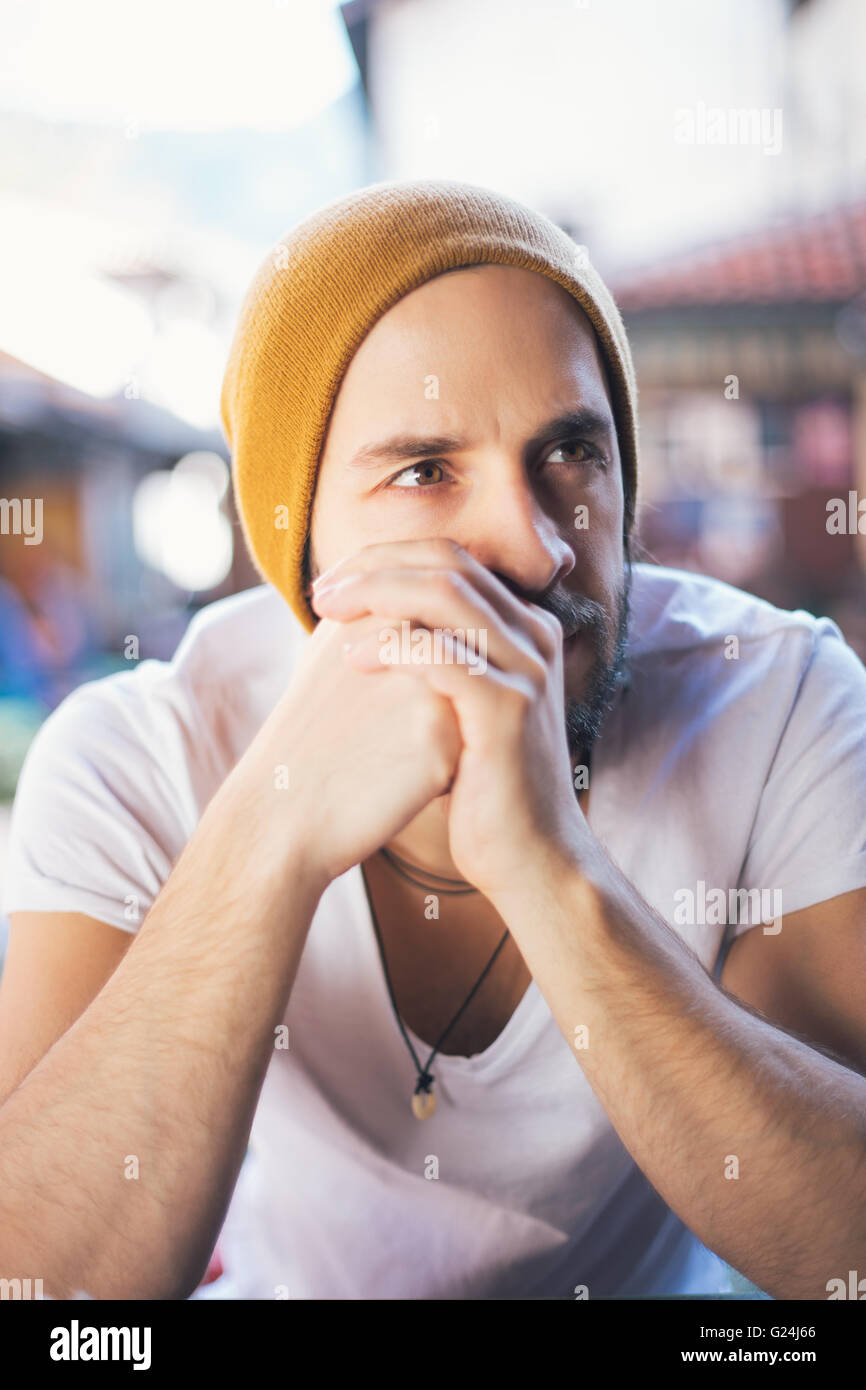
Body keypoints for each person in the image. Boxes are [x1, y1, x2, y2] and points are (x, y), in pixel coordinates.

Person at [1, 179, 866, 1301]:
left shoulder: (775, 698)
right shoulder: (142, 752)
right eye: (422, 470)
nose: (536, 546)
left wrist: (544, 864)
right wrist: (269, 830)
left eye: (570, 454)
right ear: (299, 547)